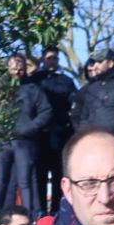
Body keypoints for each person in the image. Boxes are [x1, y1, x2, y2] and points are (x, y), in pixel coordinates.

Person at [0, 55, 52, 219]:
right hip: (2, 141)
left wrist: (30, 127)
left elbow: (46, 111)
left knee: (25, 181)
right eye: (14, 68)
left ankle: (29, 217)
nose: (17, 72)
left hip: (25, 141)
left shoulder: (34, 89)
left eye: (20, 68)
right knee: (1, 180)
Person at [30, 47, 78, 214]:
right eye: (49, 58)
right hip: (40, 134)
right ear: (43, 59)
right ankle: (41, 211)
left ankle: (57, 210)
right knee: (40, 174)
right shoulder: (35, 80)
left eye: (55, 58)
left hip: (61, 133)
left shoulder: (66, 81)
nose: (52, 61)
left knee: (59, 173)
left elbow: (74, 101)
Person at [69, 46, 114, 146]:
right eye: (95, 62)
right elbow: (84, 115)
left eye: (100, 62)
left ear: (110, 63)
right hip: (92, 141)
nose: (96, 65)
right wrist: (83, 136)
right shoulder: (92, 87)